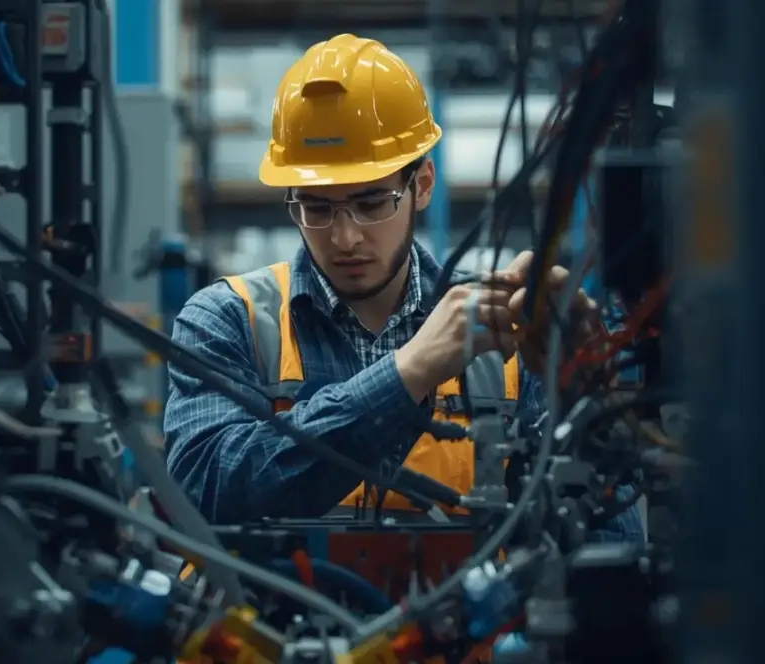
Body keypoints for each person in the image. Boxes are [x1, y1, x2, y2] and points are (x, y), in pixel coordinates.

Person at [163, 34, 644, 544]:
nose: (345, 238)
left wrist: (584, 398)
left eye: (373, 203)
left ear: (423, 185)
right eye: (317, 208)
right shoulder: (226, 319)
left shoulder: (505, 332)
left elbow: (608, 543)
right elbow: (204, 494)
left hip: (465, 626)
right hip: (268, 621)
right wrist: (409, 372)